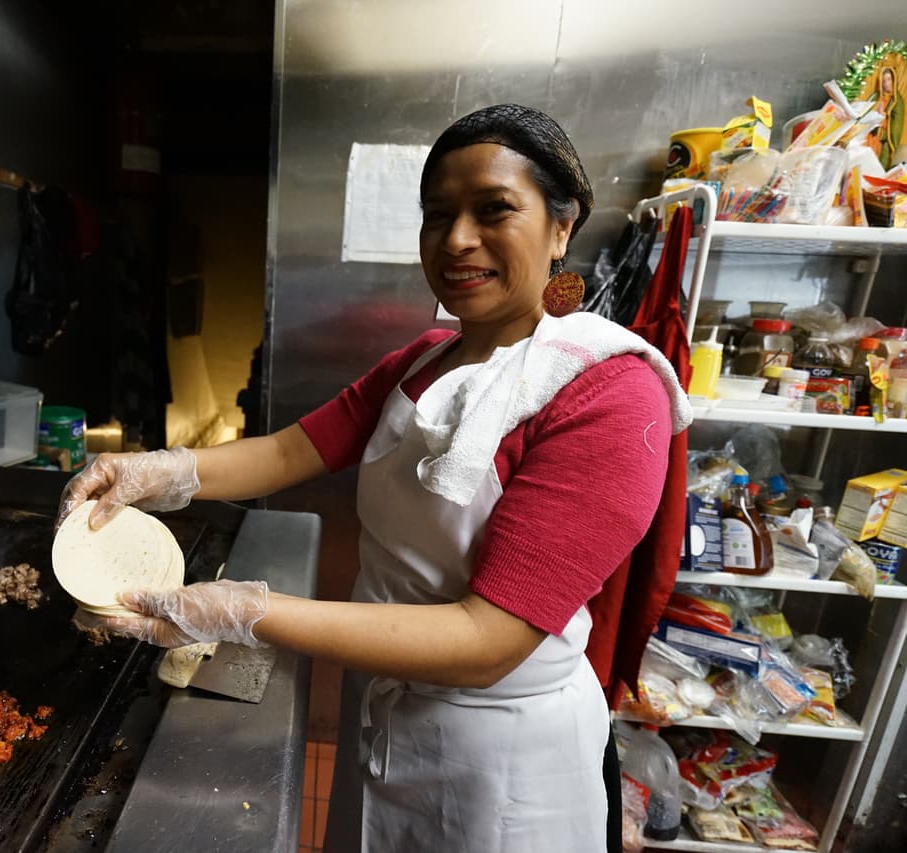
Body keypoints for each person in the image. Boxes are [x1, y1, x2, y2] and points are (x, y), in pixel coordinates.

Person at [59, 104, 691, 852]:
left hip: (500, 761)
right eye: (436, 215)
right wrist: (160, 469)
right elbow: (292, 450)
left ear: (561, 224)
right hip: (384, 702)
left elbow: (488, 638)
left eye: (493, 210)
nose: (457, 239)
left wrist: (243, 612)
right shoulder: (427, 358)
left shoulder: (611, 396)